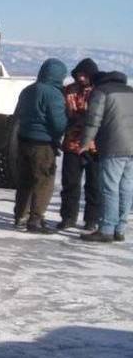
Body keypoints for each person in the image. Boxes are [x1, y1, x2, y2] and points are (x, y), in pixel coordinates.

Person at [13, 58, 68, 233]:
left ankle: (20, 215)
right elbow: (59, 123)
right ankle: (35, 219)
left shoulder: (27, 90)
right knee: (43, 181)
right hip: (43, 144)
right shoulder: (54, 94)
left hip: (23, 139)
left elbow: (17, 113)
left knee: (25, 180)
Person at [79, 70, 133, 243]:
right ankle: (120, 228)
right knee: (126, 187)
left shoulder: (101, 92)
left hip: (113, 146)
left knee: (110, 188)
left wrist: (85, 143)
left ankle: (107, 229)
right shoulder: (130, 91)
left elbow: (93, 119)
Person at [59, 58, 102, 231]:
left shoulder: (99, 93)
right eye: (79, 75)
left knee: (94, 185)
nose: (82, 78)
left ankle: (91, 219)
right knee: (70, 184)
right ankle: (68, 217)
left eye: (85, 75)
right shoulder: (69, 90)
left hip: (94, 147)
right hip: (72, 144)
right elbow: (64, 112)